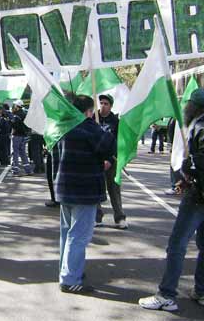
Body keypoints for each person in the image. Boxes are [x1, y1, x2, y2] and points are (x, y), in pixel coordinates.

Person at [139, 88, 204, 312]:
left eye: (189, 104)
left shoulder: (203, 126)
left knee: (177, 244)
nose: (186, 107)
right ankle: (203, 291)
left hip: (200, 195)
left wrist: (188, 166)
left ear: (195, 106)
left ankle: (166, 295)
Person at [54, 95, 115, 294]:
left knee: (67, 233)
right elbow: (107, 145)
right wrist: (103, 130)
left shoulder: (63, 127)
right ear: (89, 111)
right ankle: (70, 278)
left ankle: (67, 271)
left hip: (65, 187)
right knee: (79, 235)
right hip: (84, 189)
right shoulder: (90, 128)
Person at [95, 94, 127, 229]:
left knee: (114, 189)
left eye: (106, 103)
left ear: (111, 106)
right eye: (101, 103)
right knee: (96, 189)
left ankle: (119, 217)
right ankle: (97, 216)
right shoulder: (92, 118)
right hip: (96, 161)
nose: (103, 106)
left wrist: (109, 159)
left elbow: (118, 142)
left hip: (112, 161)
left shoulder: (115, 121)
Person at [10, 100, 33, 176]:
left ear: (17, 106)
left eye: (14, 106)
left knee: (15, 153)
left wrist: (10, 121)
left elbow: (14, 125)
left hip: (16, 135)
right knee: (23, 153)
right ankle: (28, 170)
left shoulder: (16, 115)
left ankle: (15, 170)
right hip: (23, 136)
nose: (13, 107)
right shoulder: (24, 113)